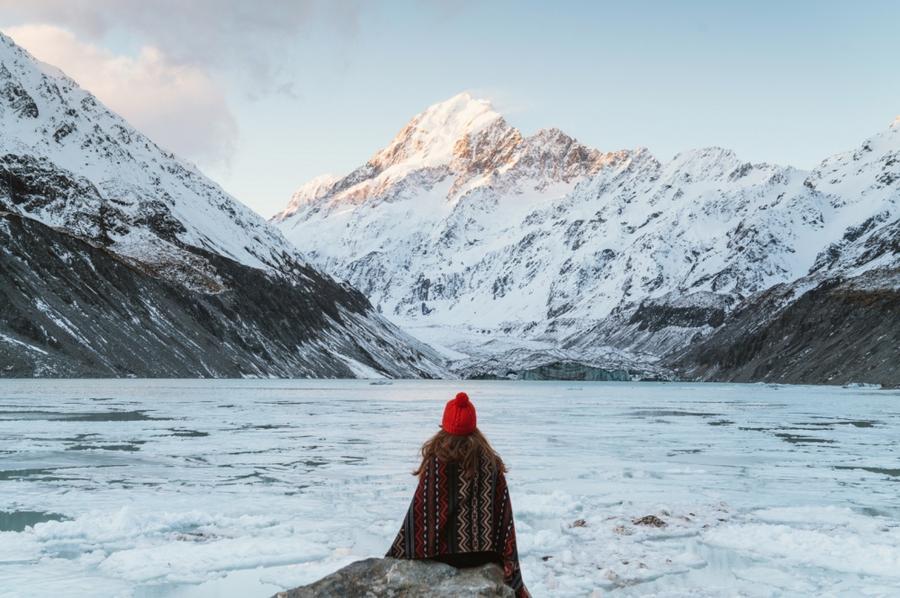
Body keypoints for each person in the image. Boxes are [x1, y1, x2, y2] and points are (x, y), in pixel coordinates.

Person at [387, 392, 530, 597]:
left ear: (444, 426)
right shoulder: (491, 463)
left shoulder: (437, 463)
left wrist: (396, 552)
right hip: (484, 556)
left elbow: (419, 517)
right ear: (474, 426)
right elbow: (503, 519)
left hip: (443, 556)